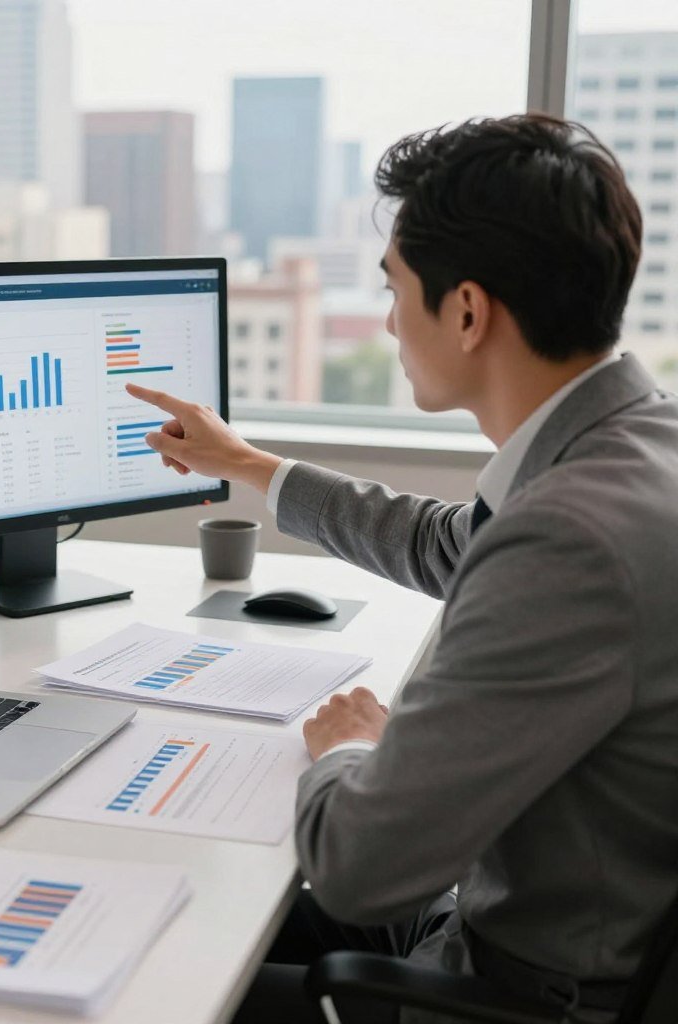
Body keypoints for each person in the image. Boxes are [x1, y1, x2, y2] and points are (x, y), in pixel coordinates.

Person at [126, 114, 678, 1024]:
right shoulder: (633, 447)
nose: (387, 320)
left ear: (466, 312)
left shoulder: (571, 540)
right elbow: (447, 544)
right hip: (530, 920)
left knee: (162, 980)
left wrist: (351, 749)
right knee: (208, 906)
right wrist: (250, 466)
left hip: (513, 993)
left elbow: (356, 865)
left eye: (394, 288)